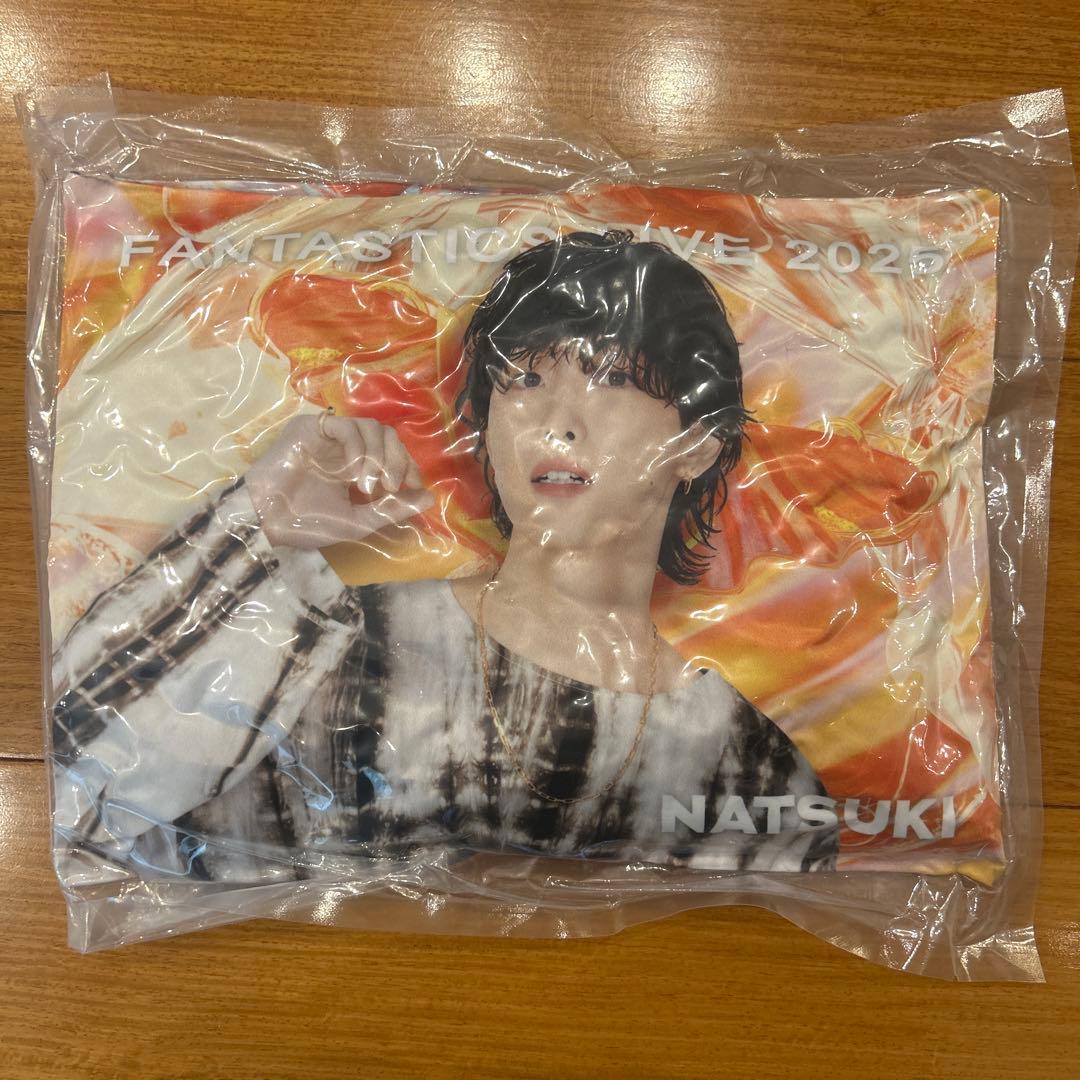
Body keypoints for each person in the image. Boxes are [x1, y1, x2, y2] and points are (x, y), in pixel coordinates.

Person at [52, 230, 837, 885]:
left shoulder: (752, 770)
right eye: (524, 379)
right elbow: (78, 798)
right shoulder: (332, 645)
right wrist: (256, 522)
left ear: (698, 443)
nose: (557, 422)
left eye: (608, 378)